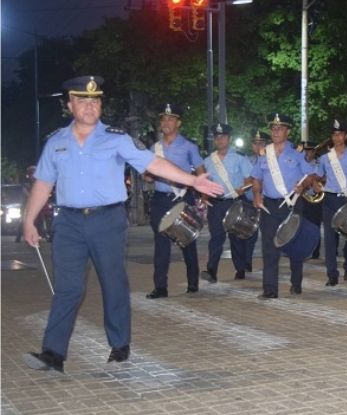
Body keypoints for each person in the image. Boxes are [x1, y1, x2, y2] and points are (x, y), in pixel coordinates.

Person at [21, 76, 223, 373]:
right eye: (82, 100)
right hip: (68, 224)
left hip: (107, 220)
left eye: (95, 101)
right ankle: (53, 353)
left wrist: (193, 180)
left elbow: (152, 164)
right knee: (67, 289)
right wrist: (29, 221)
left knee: (113, 283)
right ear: (69, 105)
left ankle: (119, 344)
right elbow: (43, 183)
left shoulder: (116, 138)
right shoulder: (55, 142)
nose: (90, 106)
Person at [251, 113, 315, 298]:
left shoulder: (297, 153)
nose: (276, 131)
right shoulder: (264, 154)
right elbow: (256, 178)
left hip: (291, 204)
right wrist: (256, 195)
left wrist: (302, 185)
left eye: (280, 128)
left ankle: (296, 283)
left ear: (288, 131)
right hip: (269, 206)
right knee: (269, 248)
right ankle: (270, 290)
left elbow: (310, 176)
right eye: (273, 128)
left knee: (294, 244)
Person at [144, 103, 205, 299]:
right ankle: (160, 287)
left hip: (181, 197)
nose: (166, 122)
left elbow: (201, 172)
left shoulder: (189, 147)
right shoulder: (155, 147)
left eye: (171, 119)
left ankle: (193, 282)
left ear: (178, 123)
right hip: (161, 199)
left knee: (186, 240)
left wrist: (203, 196)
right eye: (163, 118)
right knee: (160, 243)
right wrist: (147, 176)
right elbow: (147, 174)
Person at [201, 123, 254, 283]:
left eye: (223, 136)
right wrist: (204, 196)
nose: (220, 139)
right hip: (216, 203)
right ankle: (212, 270)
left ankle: (240, 268)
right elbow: (205, 182)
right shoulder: (208, 161)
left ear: (229, 138)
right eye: (217, 137)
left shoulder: (240, 157)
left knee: (236, 237)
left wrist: (242, 189)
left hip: (234, 202)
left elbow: (249, 179)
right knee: (216, 237)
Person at [316, 119, 347, 286]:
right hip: (329, 199)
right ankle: (332, 274)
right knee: (330, 238)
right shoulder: (324, 158)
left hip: (346, 198)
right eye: (334, 135)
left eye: (340, 134)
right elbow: (317, 176)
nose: (337, 137)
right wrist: (315, 185)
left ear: (346, 136)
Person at [243, 130, 268, 272]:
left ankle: (269, 262)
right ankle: (247, 262)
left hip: (267, 202)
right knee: (249, 233)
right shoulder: (246, 160)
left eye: (261, 143)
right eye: (255, 143)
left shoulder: (272, 160)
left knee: (268, 234)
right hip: (250, 201)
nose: (258, 146)